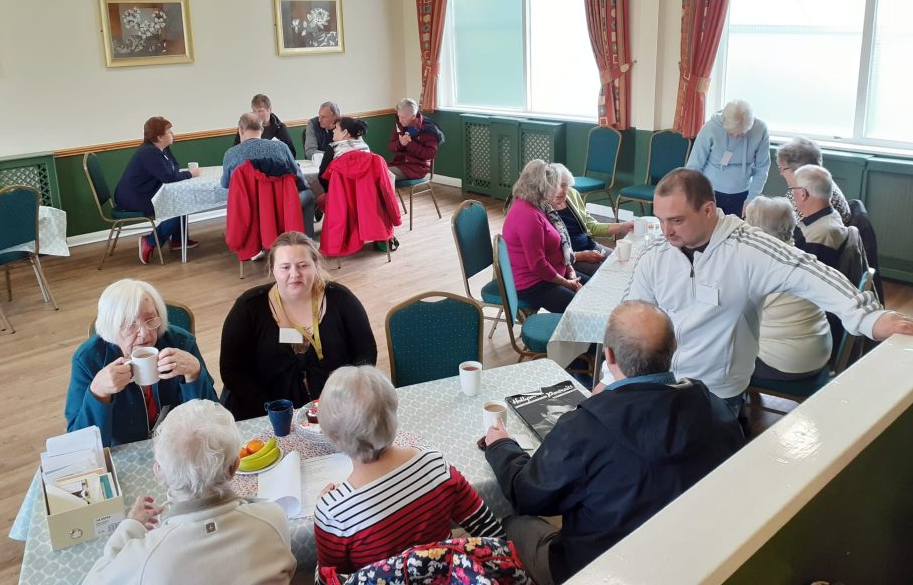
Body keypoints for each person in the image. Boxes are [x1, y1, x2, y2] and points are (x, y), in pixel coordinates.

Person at [484, 301, 743, 585]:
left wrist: (500, 446)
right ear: (674, 348)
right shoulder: (717, 408)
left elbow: (528, 495)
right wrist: (608, 404)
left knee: (511, 522)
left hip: (600, 571)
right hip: (690, 560)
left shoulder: (587, 427)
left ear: (608, 355)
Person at [629, 168, 913, 412]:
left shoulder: (748, 248)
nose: (666, 230)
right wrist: (615, 378)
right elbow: (631, 320)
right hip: (661, 384)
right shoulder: (657, 254)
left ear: (708, 210)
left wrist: (869, 318)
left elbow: (810, 271)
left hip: (716, 394)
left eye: (676, 220)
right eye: (660, 220)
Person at [314, 366, 502, 584]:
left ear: (332, 434)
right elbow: (489, 529)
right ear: (393, 414)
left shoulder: (333, 513)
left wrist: (327, 511)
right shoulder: (434, 463)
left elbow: (330, 580)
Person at [82, 399, 296, 585]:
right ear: (234, 468)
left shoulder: (144, 558)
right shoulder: (273, 517)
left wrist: (130, 527)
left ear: (159, 472)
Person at [219, 232, 376, 419]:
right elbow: (231, 370)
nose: (295, 274)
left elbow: (366, 350)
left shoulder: (340, 299)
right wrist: (269, 408)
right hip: (266, 414)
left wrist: (348, 393)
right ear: (272, 269)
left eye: (303, 265)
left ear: (315, 265)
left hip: (337, 412)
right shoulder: (249, 307)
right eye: (285, 267)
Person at [65, 280, 217, 447]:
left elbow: (213, 421)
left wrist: (195, 374)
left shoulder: (180, 343)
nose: (145, 334)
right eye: (130, 324)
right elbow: (80, 444)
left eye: (151, 319)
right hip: (122, 453)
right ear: (111, 327)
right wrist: (98, 393)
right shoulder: (88, 359)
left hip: (178, 446)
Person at [744, 197, 832, 381]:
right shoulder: (804, 257)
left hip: (788, 363)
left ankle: (730, 407)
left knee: (716, 355)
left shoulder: (763, 269)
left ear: (756, 231)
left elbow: (731, 316)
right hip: (819, 351)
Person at [115, 116, 202, 264]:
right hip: (134, 198)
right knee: (179, 206)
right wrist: (190, 174)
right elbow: (169, 177)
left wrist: (177, 173)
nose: (173, 134)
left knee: (180, 199)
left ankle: (178, 241)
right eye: (169, 131)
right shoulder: (149, 152)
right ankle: (149, 241)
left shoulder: (163, 148)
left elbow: (174, 167)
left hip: (144, 193)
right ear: (159, 137)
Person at [502, 160, 581, 313]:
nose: (557, 189)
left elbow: (557, 246)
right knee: (581, 306)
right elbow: (538, 265)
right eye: (555, 185)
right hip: (533, 284)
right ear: (542, 187)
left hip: (551, 275)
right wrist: (566, 282)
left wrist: (569, 270)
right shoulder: (527, 215)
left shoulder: (538, 205)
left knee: (592, 287)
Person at [222, 111, 315, 229]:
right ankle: (303, 241)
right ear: (262, 129)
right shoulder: (281, 147)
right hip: (281, 204)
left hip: (249, 207)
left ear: (240, 130)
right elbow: (298, 176)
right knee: (308, 195)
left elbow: (225, 184)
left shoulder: (230, 155)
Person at [685, 99, 770, 217]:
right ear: (724, 122)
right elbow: (694, 166)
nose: (736, 137)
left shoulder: (760, 129)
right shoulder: (710, 128)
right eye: (731, 133)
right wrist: (696, 196)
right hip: (710, 192)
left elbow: (762, 167)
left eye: (741, 133)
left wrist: (752, 198)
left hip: (743, 193)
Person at [549, 163, 634, 280]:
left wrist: (623, 226)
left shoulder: (572, 194)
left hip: (590, 246)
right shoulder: (543, 208)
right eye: (554, 186)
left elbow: (592, 226)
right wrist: (583, 256)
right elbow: (550, 253)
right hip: (571, 257)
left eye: (564, 185)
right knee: (611, 275)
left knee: (627, 263)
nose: (560, 190)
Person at [790, 164, 864, 279]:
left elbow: (801, 277)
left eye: (793, 190)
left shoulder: (818, 235)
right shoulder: (832, 215)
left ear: (803, 194)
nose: (792, 195)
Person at [776, 136, 852, 224]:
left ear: (798, 170)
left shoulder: (806, 196)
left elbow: (786, 229)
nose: (781, 173)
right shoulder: (824, 182)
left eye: (782, 168)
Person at [387, 97, 444, 180]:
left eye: (403, 117)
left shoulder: (429, 129)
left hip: (416, 168)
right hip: (399, 163)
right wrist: (400, 144)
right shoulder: (400, 125)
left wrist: (410, 144)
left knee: (383, 175)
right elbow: (390, 146)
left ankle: (389, 193)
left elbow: (430, 154)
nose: (400, 120)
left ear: (413, 116)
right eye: (399, 116)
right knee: (375, 172)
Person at [232, 93, 298, 160]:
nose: (256, 114)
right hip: (251, 166)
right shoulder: (245, 128)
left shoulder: (280, 128)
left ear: (270, 110)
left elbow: (292, 153)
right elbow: (235, 152)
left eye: (260, 111)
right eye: (254, 111)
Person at [317, 116, 370, 193]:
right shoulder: (365, 147)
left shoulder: (333, 148)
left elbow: (322, 177)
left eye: (336, 128)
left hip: (340, 196)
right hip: (365, 194)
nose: (333, 131)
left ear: (345, 132)